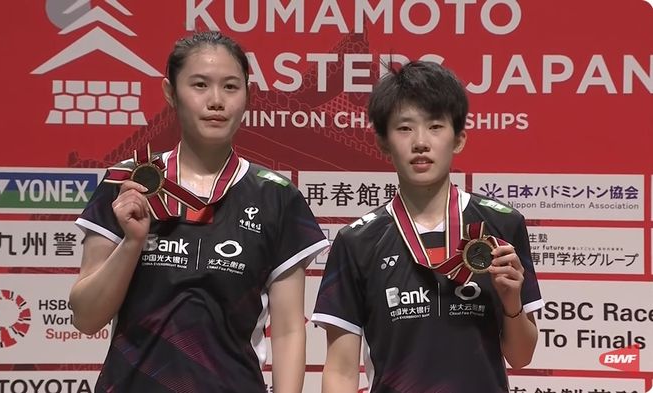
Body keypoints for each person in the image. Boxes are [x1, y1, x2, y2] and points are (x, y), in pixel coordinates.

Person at [69, 31, 328, 393]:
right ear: (170, 93)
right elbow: (85, 316)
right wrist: (131, 243)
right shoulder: (126, 183)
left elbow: (287, 330)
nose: (216, 101)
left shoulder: (277, 196)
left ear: (248, 97)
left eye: (231, 87)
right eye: (200, 85)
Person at [311, 61, 544, 393]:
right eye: (404, 128)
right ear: (382, 142)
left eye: (435, 126)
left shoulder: (502, 224)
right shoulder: (357, 241)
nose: (420, 142)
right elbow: (341, 370)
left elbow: (521, 356)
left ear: (459, 138)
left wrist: (511, 302)